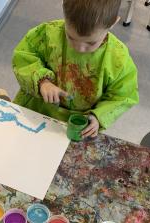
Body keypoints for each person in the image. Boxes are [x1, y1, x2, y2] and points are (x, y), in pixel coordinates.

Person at [12, 0, 139, 138]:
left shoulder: (118, 58)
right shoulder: (48, 34)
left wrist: (98, 116)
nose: (79, 48)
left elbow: (122, 96)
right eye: (71, 37)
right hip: (36, 110)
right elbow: (23, 57)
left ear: (113, 22)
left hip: (79, 124)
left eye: (91, 43)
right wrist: (43, 82)